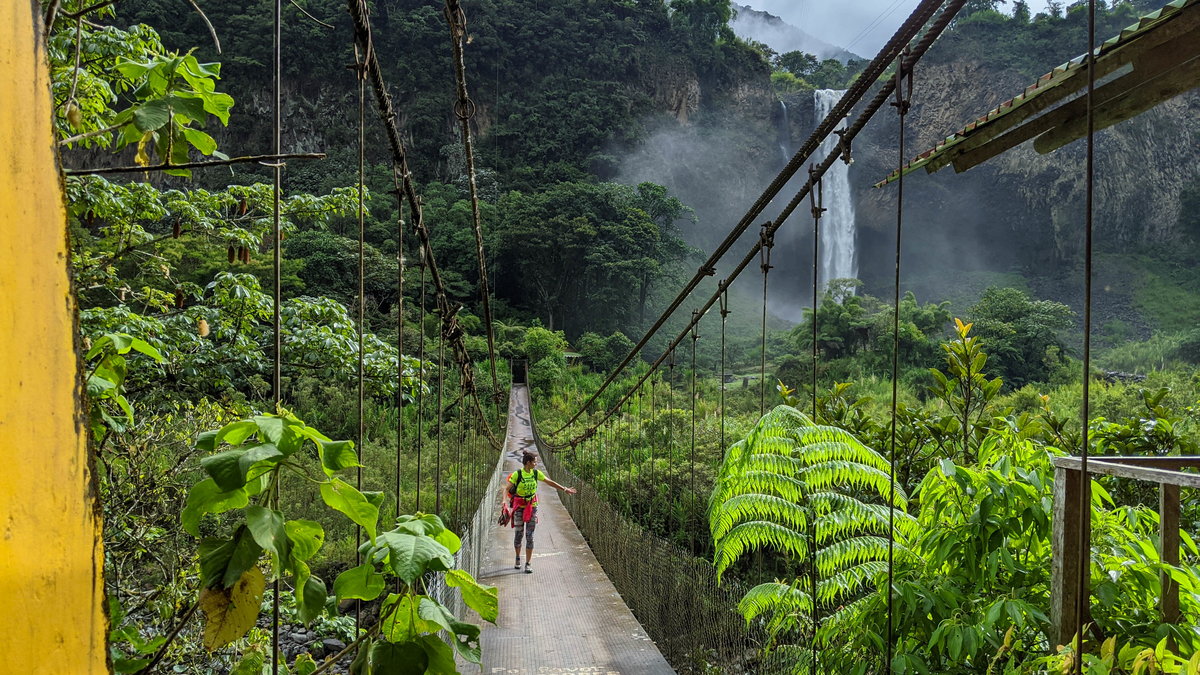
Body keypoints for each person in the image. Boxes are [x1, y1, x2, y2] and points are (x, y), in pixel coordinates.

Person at [502, 451, 576, 574]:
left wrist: (564, 489)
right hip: (519, 506)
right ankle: (517, 558)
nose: (536, 464)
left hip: (532, 506)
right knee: (519, 534)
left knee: (530, 536)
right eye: (535, 462)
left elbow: (549, 482)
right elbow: (506, 489)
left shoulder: (536, 473)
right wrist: (504, 502)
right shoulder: (518, 474)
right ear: (528, 463)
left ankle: (528, 563)